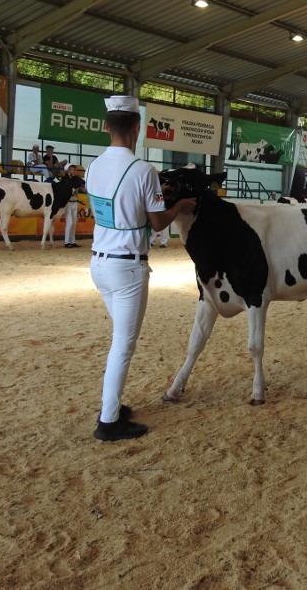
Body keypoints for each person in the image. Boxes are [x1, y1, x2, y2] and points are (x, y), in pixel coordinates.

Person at [85, 95, 195, 441]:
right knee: (123, 343)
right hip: (127, 268)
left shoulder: (92, 166)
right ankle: (108, 422)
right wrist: (179, 205)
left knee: (120, 339)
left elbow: (118, 206)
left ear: (106, 127)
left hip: (98, 263)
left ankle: (112, 405)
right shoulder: (144, 170)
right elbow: (158, 222)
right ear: (137, 128)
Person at [62, 163, 84, 248]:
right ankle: (67, 242)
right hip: (68, 202)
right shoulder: (65, 179)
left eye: (74, 170)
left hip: (75, 202)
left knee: (74, 223)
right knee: (70, 222)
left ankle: (72, 241)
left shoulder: (76, 179)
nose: (73, 171)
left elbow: (83, 184)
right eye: (71, 169)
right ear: (68, 170)